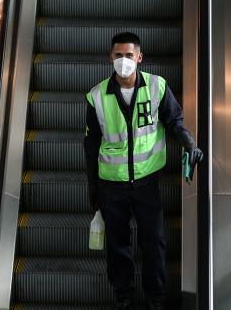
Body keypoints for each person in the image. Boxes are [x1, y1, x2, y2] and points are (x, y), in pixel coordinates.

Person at [84, 32, 203, 310]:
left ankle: (155, 298)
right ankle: (123, 296)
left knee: (154, 242)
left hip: (147, 181)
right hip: (111, 184)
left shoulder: (156, 87)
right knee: (117, 245)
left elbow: (175, 121)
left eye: (129, 55)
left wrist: (189, 142)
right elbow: (91, 145)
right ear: (109, 58)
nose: (123, 61)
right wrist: (93, 188)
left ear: (140, 57)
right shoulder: (96, 96)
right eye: (118, 55)